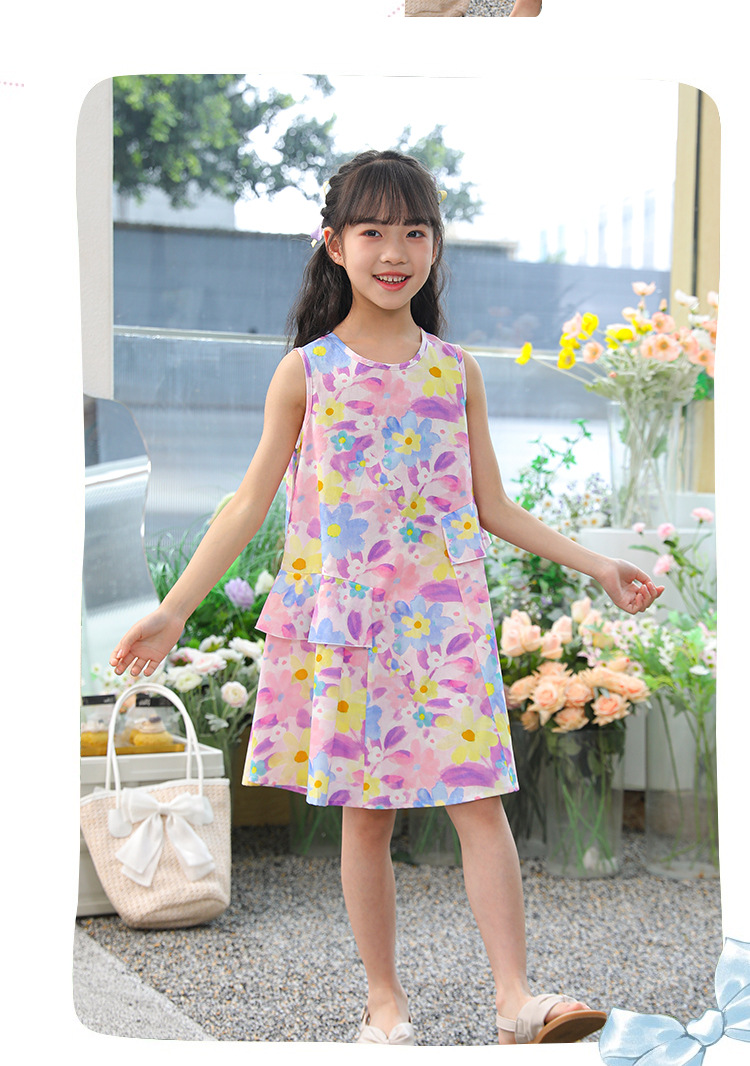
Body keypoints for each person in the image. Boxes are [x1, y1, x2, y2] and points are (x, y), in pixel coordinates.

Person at [110, 149, 663, 1047]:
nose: (395, 251)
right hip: (349, 628)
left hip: (447, 625)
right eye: (372, 231)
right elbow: (248, 502)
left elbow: (493, 506)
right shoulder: (308, 372)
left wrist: (596, 564)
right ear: (334, 245)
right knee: (367, 820)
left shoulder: (456, 371)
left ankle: (516, 1000)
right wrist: (174, 608)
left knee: (479, 803)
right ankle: (385, 1005)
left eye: (415, 231)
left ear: (436, 246)